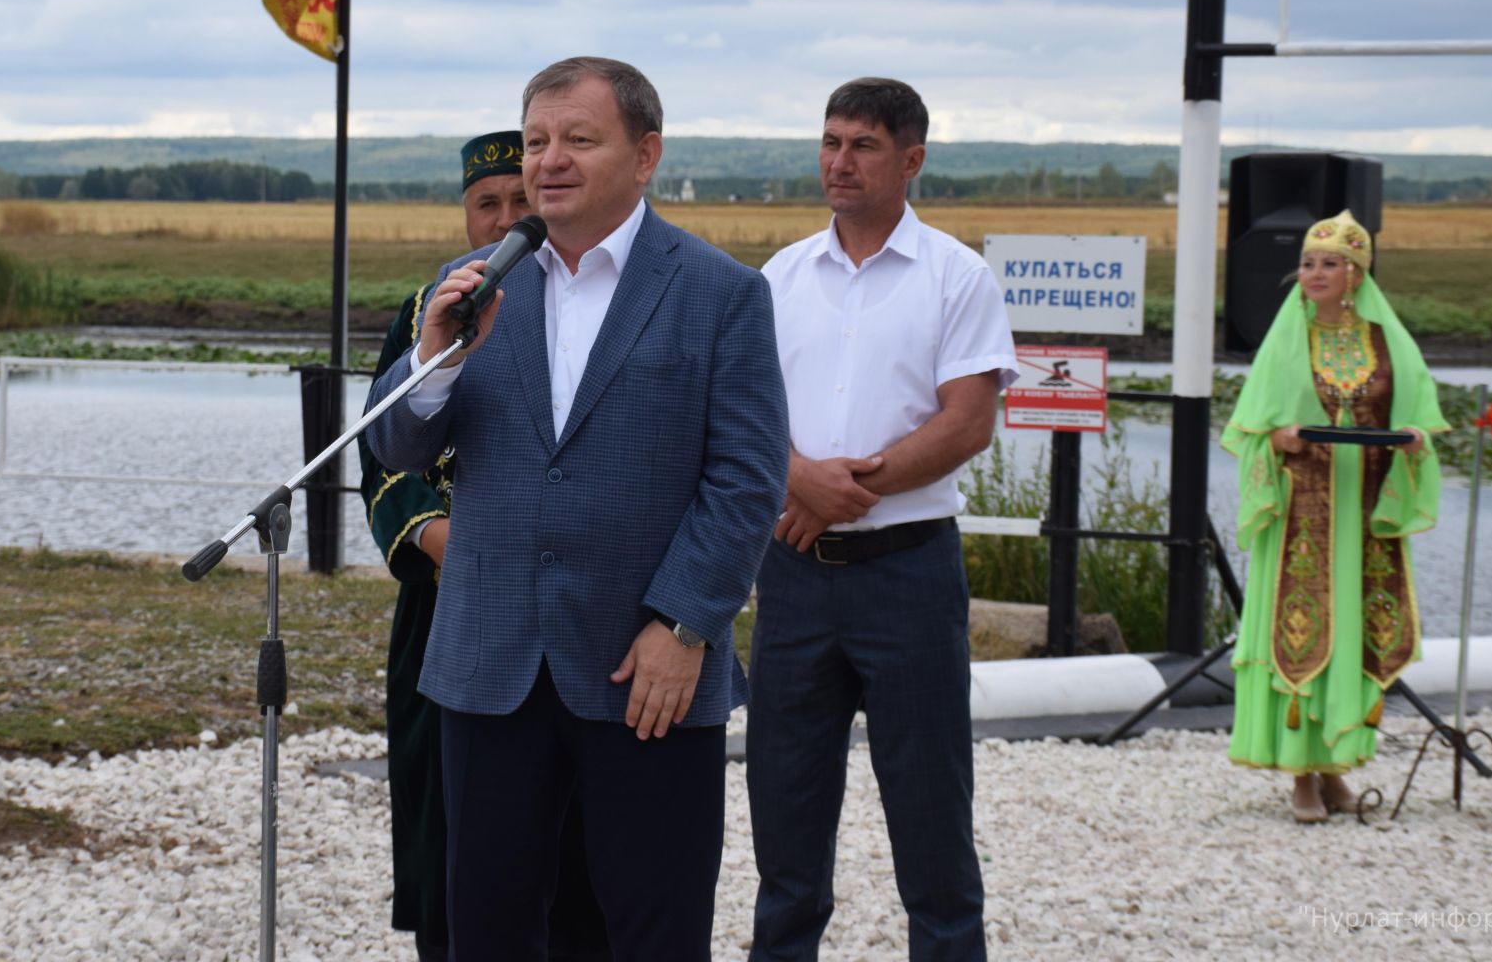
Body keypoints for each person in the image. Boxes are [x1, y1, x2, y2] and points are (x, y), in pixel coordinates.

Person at [365, 56, 789, 961]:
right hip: (491, 664)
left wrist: (685, 624)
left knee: (651, 931)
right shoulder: (472, 286)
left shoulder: (721, 294)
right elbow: (395, 449)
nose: (547, 162)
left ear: (646, 156)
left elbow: (747, 478)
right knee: (489, 931)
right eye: (536, 142)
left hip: (647, 676)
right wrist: (435, 359)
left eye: (578, 140)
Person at [748, 77, 1016, 962]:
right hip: (793, 574)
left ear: (912, 159)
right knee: (784, 813)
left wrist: (843, 490)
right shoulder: (779, 278)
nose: (839, 160)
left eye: (862, 144)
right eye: (829, 141)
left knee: (932, 815)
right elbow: (742, 416)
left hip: (909, 573)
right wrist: (798, 480)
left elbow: (966, 421)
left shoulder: (956, 276)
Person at [357, 131, 610, 961]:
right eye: (487, 207)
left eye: (520, 205)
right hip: (449, 609)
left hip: (570, 606)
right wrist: (449, 537)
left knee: (580, 843)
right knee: (453, 834)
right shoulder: (432, 309)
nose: (504, 222)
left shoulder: (593, 310)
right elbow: (383, 455)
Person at [1223, 210, 1447, 822]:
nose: (1314, 273)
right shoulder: (1288, 336)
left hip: (1365, 508)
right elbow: (1250, 428)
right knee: (1301, 628)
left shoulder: (1383, 340)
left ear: (1356, 274)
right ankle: (1299, 772)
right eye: (1307, 262)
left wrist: (1413, 439)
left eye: (1329, 263)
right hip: (1305, 510)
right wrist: (1280, 438)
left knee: (1354, 625)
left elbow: (1418, 414)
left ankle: (1336, 765)